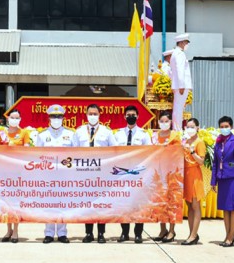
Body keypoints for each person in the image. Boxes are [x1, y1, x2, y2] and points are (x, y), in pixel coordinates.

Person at [74, 103, 114, 244]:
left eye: (95, 114)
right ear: (86, 115)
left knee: (101, 204)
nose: (92, 116)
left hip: (102, 174)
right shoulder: (79, 131)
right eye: (90, 114)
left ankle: (101, 233)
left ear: (99, 115)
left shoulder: (106, 132)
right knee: (88, 204)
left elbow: (114, 150)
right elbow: (73, 151)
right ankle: (89, 233)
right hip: (85, 174)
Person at [38, 104, 76, 244]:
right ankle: (48, 233)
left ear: (63, 118)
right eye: (53, 116)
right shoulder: (42, 135)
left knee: (62, 204)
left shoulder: (70, 134)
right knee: (48, 204)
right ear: (49, 118)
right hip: (48, 176)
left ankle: (62, 233)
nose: (56, 119)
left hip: (64, 175)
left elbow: (75, 155)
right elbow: (37, 156)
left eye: (59, 116)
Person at [113, 105, 152, 243]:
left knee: (138, 203)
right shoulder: (117, 134)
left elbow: (149, 153)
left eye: (133, 115)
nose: (131, 117)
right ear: (124, 117)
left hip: (139, 173)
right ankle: (124, 233)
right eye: (128, 115)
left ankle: (138, 233)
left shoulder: (144, 134)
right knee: (124, 203)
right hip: (122, 173)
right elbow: (113, 152)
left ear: (137, 116)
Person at [0, 108, 32, 243]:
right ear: (8, 119)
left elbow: (27, 150)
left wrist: (16, 147)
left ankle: (16, 230)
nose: (14, 120)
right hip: (4, 171)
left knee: (16, 201)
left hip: (18, 172)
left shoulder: (24, 133)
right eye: (12, 117)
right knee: (6, 201)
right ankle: (8, 230)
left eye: (17, 118)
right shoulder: (2, 133)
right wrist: (5, 147)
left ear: (20, 119)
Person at [210, 116, 234, 247]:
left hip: (233, 179)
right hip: (222, 179)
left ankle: (231, 236)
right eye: (222, 127)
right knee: (225, 208)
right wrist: (213, 180)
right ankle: (228, 235)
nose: (224, 129)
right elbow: (215, 162)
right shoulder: (218, 142)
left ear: (231, 127)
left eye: (226, 126)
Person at [153, 111, 181, 242]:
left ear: (170, 122)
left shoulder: (175, 136)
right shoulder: (155, 136)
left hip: (172, 173)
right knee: (160, 202)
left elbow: (178, 153)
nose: (164, 123)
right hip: (158, 173)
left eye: (166, 121)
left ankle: (171, 230)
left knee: (172, 202)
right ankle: (162, 229)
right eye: (162, 121)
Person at [181, 117, 205, 245]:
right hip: (186, 175)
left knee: (195, 206)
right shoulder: (185, 141)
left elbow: (201, 161)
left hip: (195, 175)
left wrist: (192, 151)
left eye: (192, 127)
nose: (190, 129)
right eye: (188, 127)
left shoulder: (199, 142)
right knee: (189, 206)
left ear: (197, 128)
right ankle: (192, 233)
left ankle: (194, 234)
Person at [169, 34, 192, 130]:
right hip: (181, 85)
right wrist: (181, 85)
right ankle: (177, 129)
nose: (187, 45)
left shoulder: (175, 53)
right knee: (179, 109)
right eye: (186, 43)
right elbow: (180, 70)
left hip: (178, 85)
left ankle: (176, 128)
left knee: (178, 108)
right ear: (182, 42)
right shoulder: (180, 54)